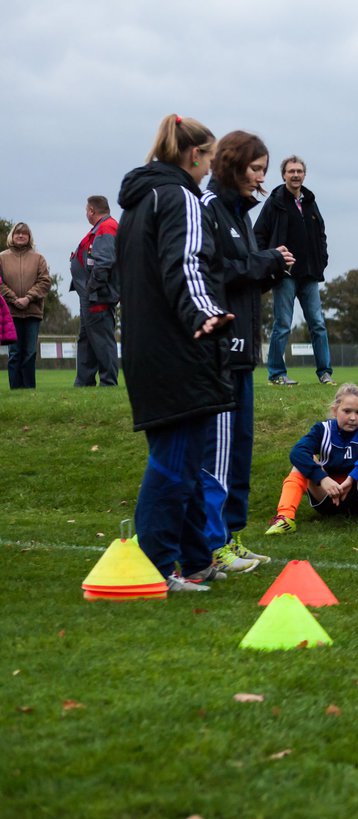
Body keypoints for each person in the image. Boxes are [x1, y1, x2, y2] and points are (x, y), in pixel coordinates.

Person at [115, 114, 233, 592]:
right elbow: (183, 264)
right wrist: (204, 313)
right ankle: (157, 568)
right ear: (193, 155)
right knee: (174, 462)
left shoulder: (137, 202)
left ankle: (195, 559)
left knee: (180, 460)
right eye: (207, 160)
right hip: (178, 346)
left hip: (145, 347)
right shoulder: (179, 196)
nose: (208, 171)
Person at [199, 131, 295, 570]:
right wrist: (263, 262)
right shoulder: (208, 210)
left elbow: (247, 278)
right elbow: (214, 273)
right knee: (217, 454)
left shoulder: (241, 216)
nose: (260, 177)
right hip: (218, 350)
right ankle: (210, 543)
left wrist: (274, 267)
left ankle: (231, 536)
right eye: (255, 168)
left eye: (263, 169)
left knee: (240, 448)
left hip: (243, 352)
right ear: (233, 165)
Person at [263, 383, 358, 536]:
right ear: (335, 410)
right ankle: (284, 517)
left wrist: (352, 478)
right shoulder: (322, 430)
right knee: (302, 462)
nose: (352, 417)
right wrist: (322, 478)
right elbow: (297, 452)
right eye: (347, 411)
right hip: (326, 495)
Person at [253, 155, 332, 386]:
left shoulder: (310, 202)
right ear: (284, 175)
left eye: (299, 171)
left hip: (309, 275)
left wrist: (322, 260)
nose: (295, 175)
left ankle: (325, 373)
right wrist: (269, 260)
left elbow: (321, 234)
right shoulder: (275, 202)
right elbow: (259, 235)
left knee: (317, 324)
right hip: (284, 275)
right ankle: (277, 374)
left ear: (304, 174)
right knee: (283, 324)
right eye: (291, 171)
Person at [69, 196, 120, 387]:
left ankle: (108, 382)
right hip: (90, 295)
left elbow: (104, 263)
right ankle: (84, 382)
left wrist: (91, 288)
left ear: (91, 210)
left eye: (86, 210)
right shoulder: (102, 227)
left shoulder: (106, 228)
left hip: (97, 296)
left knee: (101, 340)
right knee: (87, 340)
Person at [0, 223, 54, 390]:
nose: (21, 236)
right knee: (15, 353)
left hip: (33, 312)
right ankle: (15, 390)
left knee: (29, 353)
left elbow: (45, 282)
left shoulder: (39, 258)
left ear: (29, 237)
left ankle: (29, 390)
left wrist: (28, 298)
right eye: (18, 233)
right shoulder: (2, 257)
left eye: (24, 233)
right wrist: (14, 298)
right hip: (10, 313)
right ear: (12, 236)